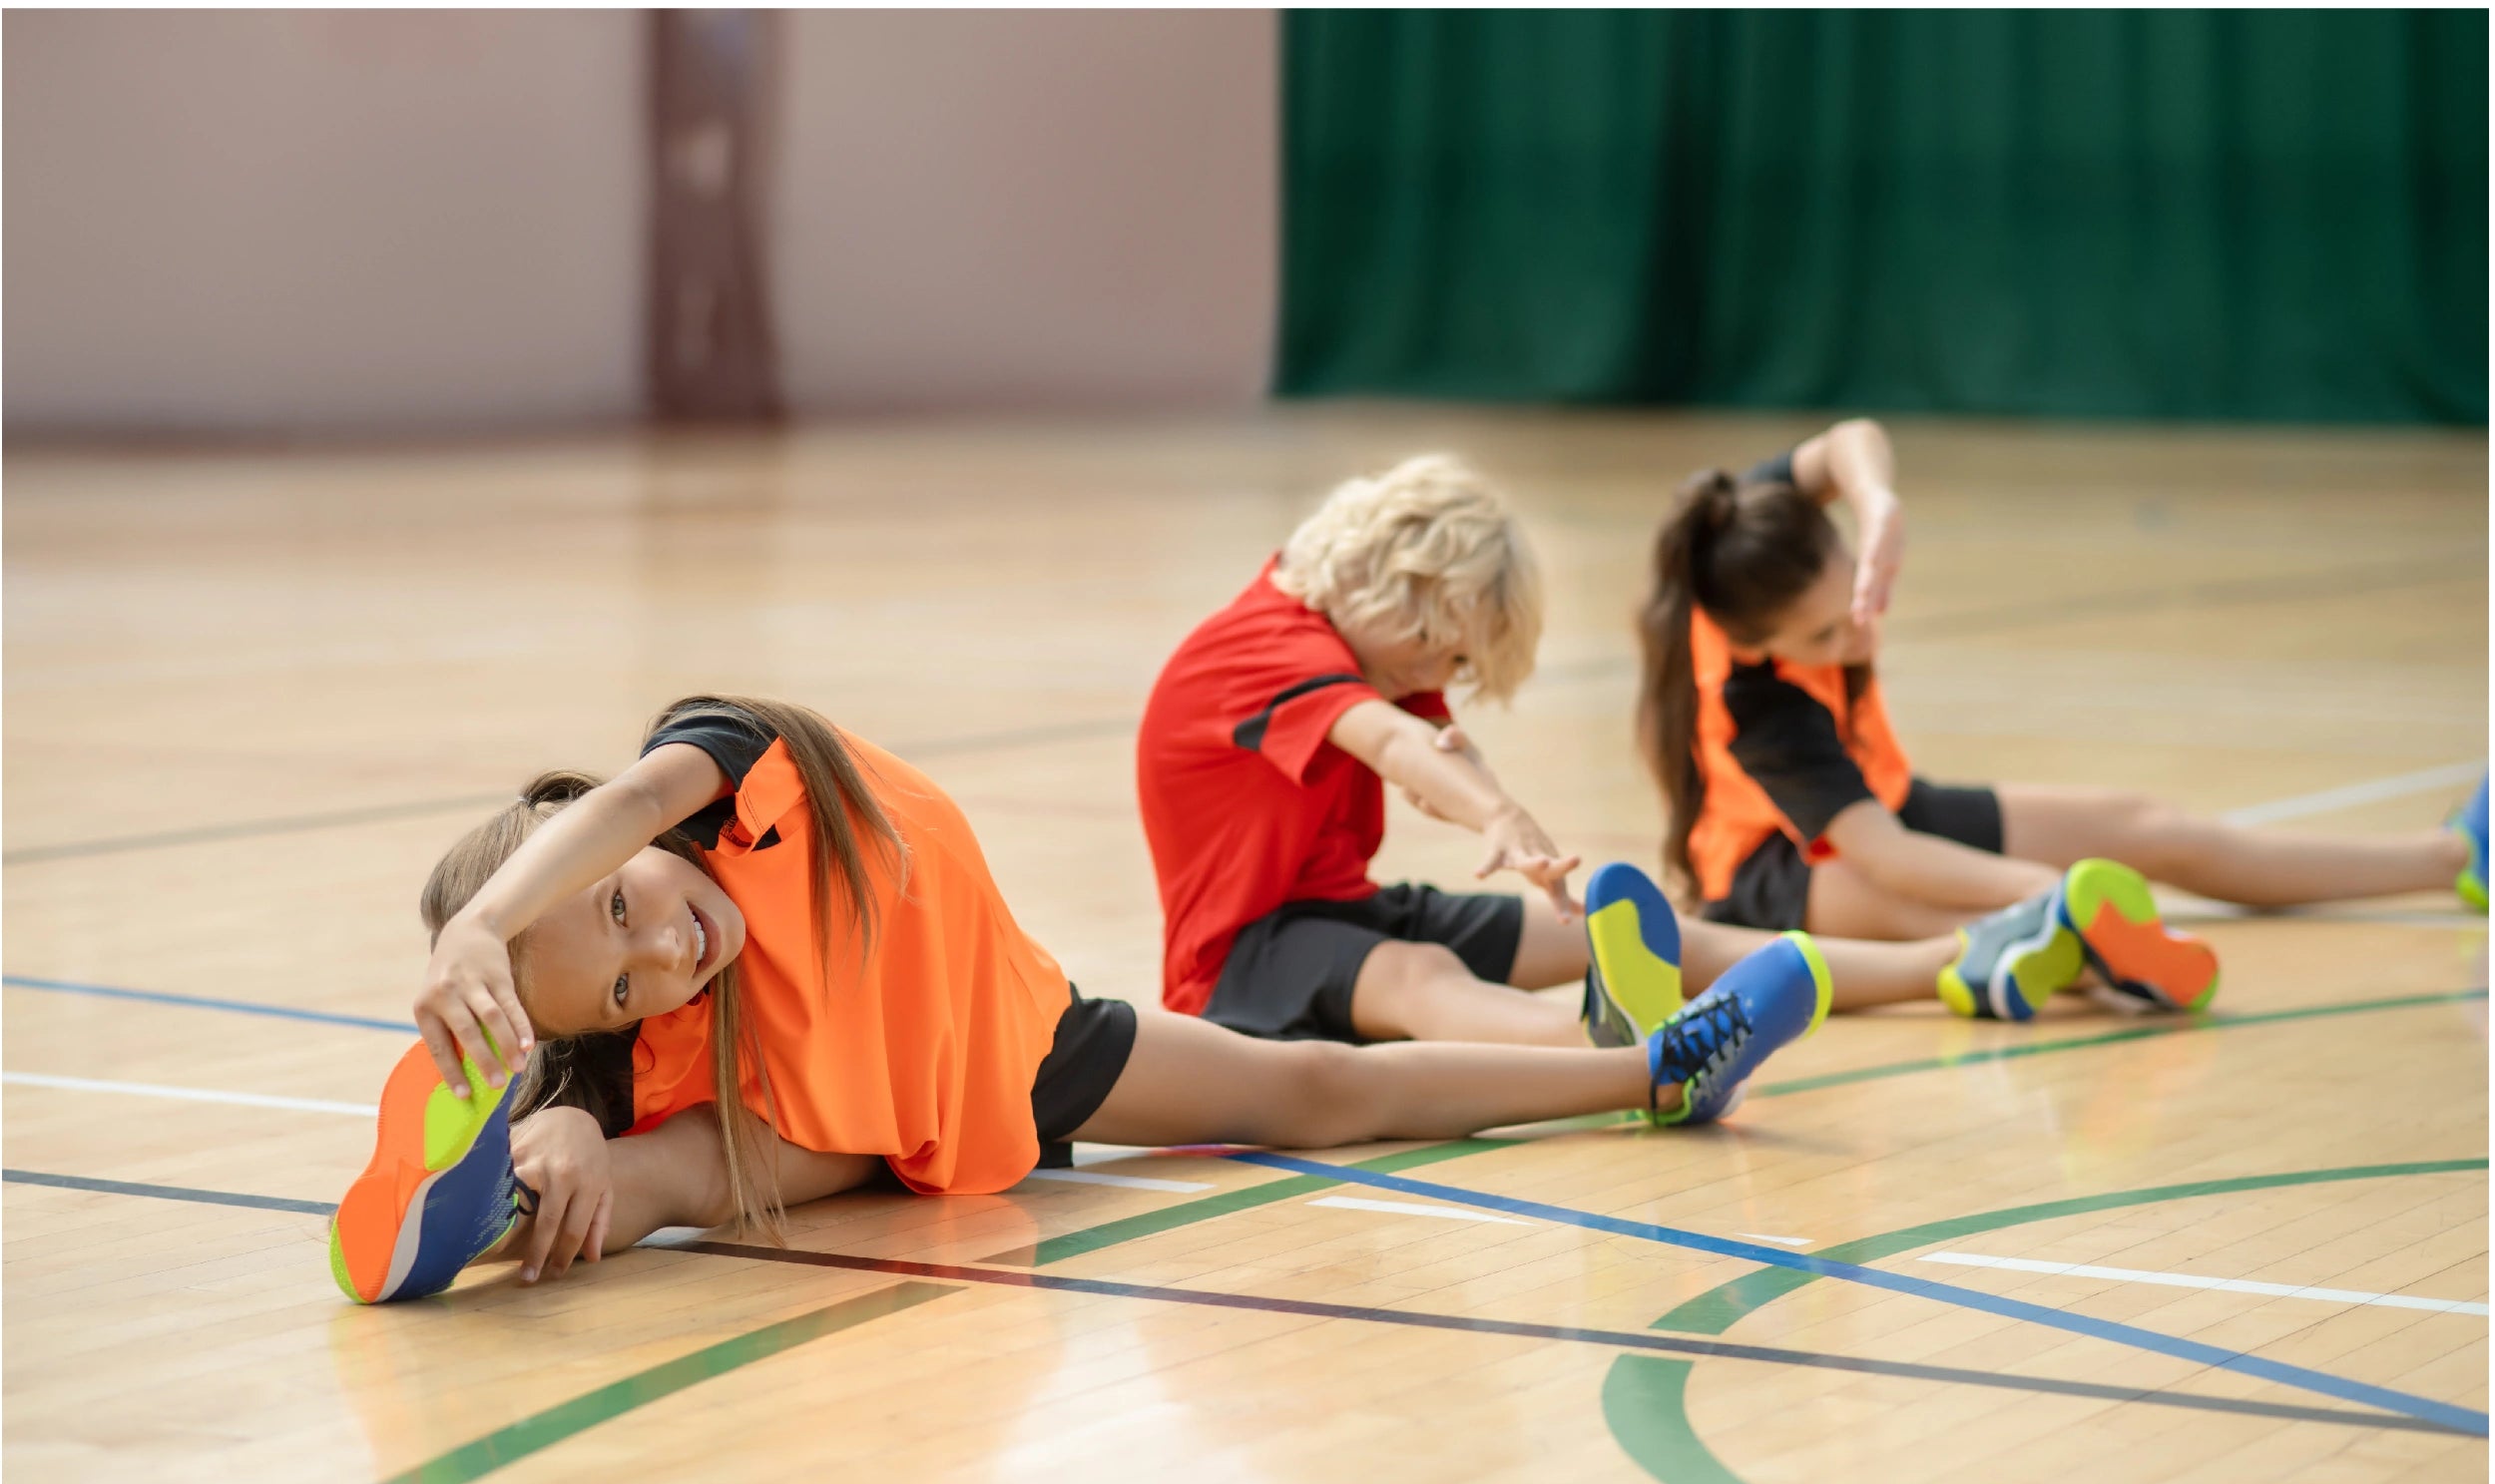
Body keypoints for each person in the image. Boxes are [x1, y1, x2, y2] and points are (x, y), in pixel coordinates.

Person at [329, 695, 1832, 1304]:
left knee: (1321, 1088)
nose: (667, 953)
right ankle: (501, 1202)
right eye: (627, 979)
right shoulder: (675, 1023)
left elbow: (642, 793)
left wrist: (485, 920)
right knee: (654, 1161)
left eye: (621, 908)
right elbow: (662, 1071)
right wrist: (582, 1131)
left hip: (1016, 1045)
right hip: (851, 1130)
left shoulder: (726, 767)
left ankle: (1652, 1071)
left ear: (616, 834)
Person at [1137, 453, 2112, 1043]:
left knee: (1648, 933)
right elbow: (1392, 742)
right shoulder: (1265, 644)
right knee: (1421, 977)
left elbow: (1439, 747)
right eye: (1445, 647)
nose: (1441, 670)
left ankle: (1966, 959)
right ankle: (1628, 1055)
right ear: (1405, 586)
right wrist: (1499, 813)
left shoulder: (1369, 645)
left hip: (1337, 912)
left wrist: (1524, 846)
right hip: (1239, 961)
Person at [1634, 417, 2488, 1016]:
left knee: (2146, 826)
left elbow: (1853, 439)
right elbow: (1888, 856)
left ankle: (2457, 854)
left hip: (1880, 802)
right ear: (1758, 641)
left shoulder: (1745, 526)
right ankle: (2070, 949)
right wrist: (2043, 886)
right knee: (1982, 919)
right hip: (1777, 876)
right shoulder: (1760, 705)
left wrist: (1876, 501)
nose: (1858, 626)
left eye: (1850, 588)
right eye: (1824, 633)